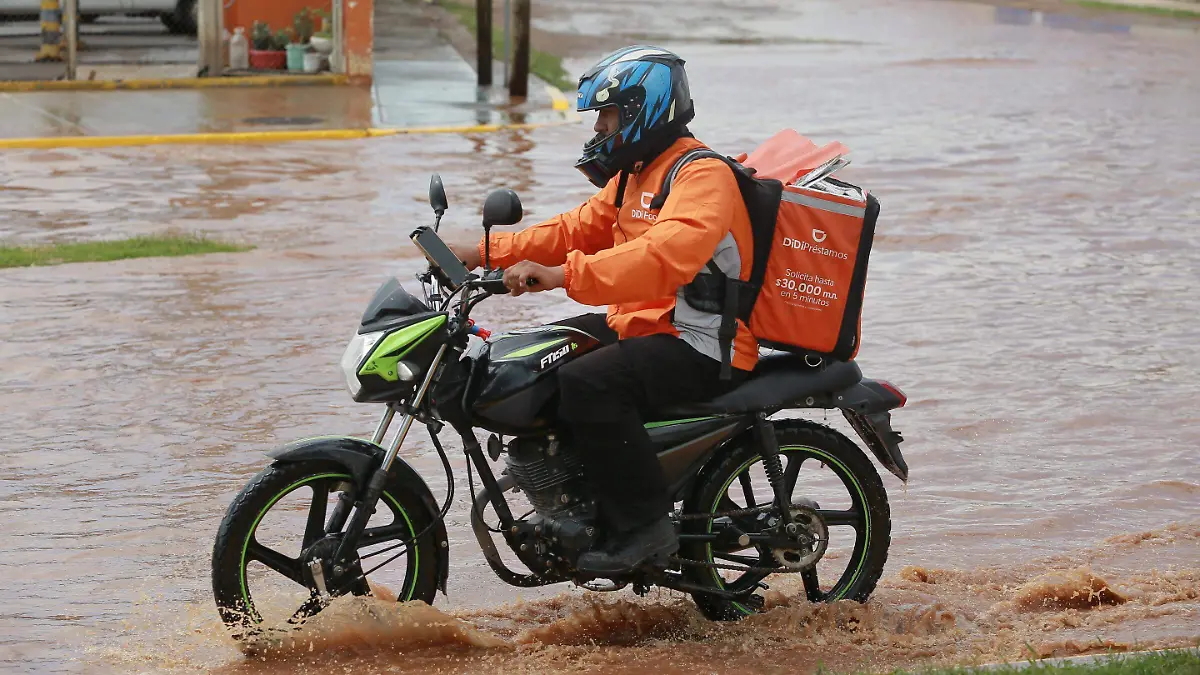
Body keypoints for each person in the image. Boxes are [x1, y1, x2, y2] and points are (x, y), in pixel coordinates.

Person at [451, 45, 759, 575]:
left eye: (608, 114)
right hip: (645, 325)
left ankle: (644, 527)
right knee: (534, 359)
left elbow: (663, 256)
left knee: (590, 383)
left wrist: (565, 276)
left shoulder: (701, 176)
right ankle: (579, 500)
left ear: (644, 109)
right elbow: (573, 229)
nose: (599, 128)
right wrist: (483, 252)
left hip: (705, 340)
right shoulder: (636, 175)